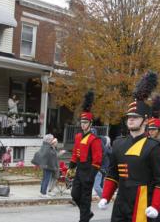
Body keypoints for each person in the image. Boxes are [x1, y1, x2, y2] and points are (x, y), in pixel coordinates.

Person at [98, 71, 160, 221]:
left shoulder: (154, 147)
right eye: (129, 117)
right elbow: (113, 175)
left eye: (135, 117)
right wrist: (105, 196)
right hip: (121, 202)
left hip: (143, 203)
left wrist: (156, 206)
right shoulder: (118, 143)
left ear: (145, 121)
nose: (130, 120)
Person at [67, 91, 102, 222]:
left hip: (89, 170)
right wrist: (72, 164)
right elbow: (76, 152)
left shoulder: (95, 139)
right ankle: (87, 213)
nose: (83, 124)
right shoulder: (78, 137)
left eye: (86, 122)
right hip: (79, 169)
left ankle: (84, 219)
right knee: (75, 194)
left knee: (85, 198)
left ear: (90, 123)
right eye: (82, 122)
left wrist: (91, 175)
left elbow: (98, 159)